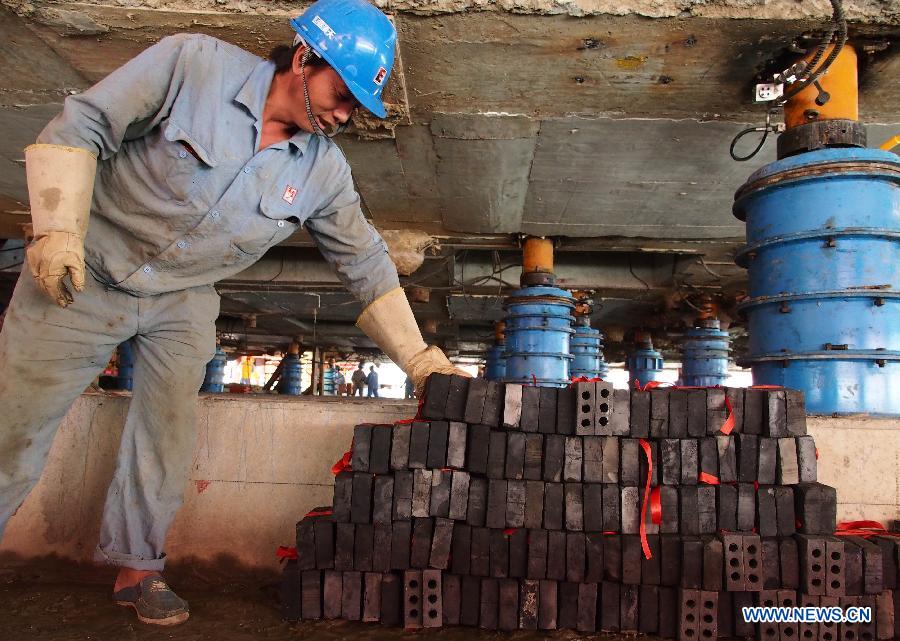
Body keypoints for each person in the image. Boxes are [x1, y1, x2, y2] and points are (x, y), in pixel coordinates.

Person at [0, 0, 468, 626]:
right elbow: (82, 125)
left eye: (357, 106)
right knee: (14, 428)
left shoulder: (323, 171)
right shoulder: (192, 65)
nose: (343, 114)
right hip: (85, 269)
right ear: (305, 57)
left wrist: (417, 360)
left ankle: (139, 572)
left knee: (166, 434)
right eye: (341, 93)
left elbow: (365, 261)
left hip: (182, 298)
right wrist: (56, 232)